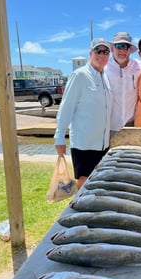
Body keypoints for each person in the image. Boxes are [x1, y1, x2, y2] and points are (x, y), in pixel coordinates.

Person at [54, 37, 112, 190]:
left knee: (100, 184)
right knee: (84, 185)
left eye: (106, 51)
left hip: (103, 144)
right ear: (90, 53)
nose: (102, 54)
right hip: (84, 145)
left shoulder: (105, 76)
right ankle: (81, 212)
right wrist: (59, 137)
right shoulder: (79, 76)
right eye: (98, 51)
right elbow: (66, 108)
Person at [106, 32, 141, 135]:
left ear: (130, 50)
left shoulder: (140, 67)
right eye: (119, 46)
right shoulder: (103, 68)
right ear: (112, 48)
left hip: (132, 126)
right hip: (109, 126)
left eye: (126, 47)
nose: (122, 50)